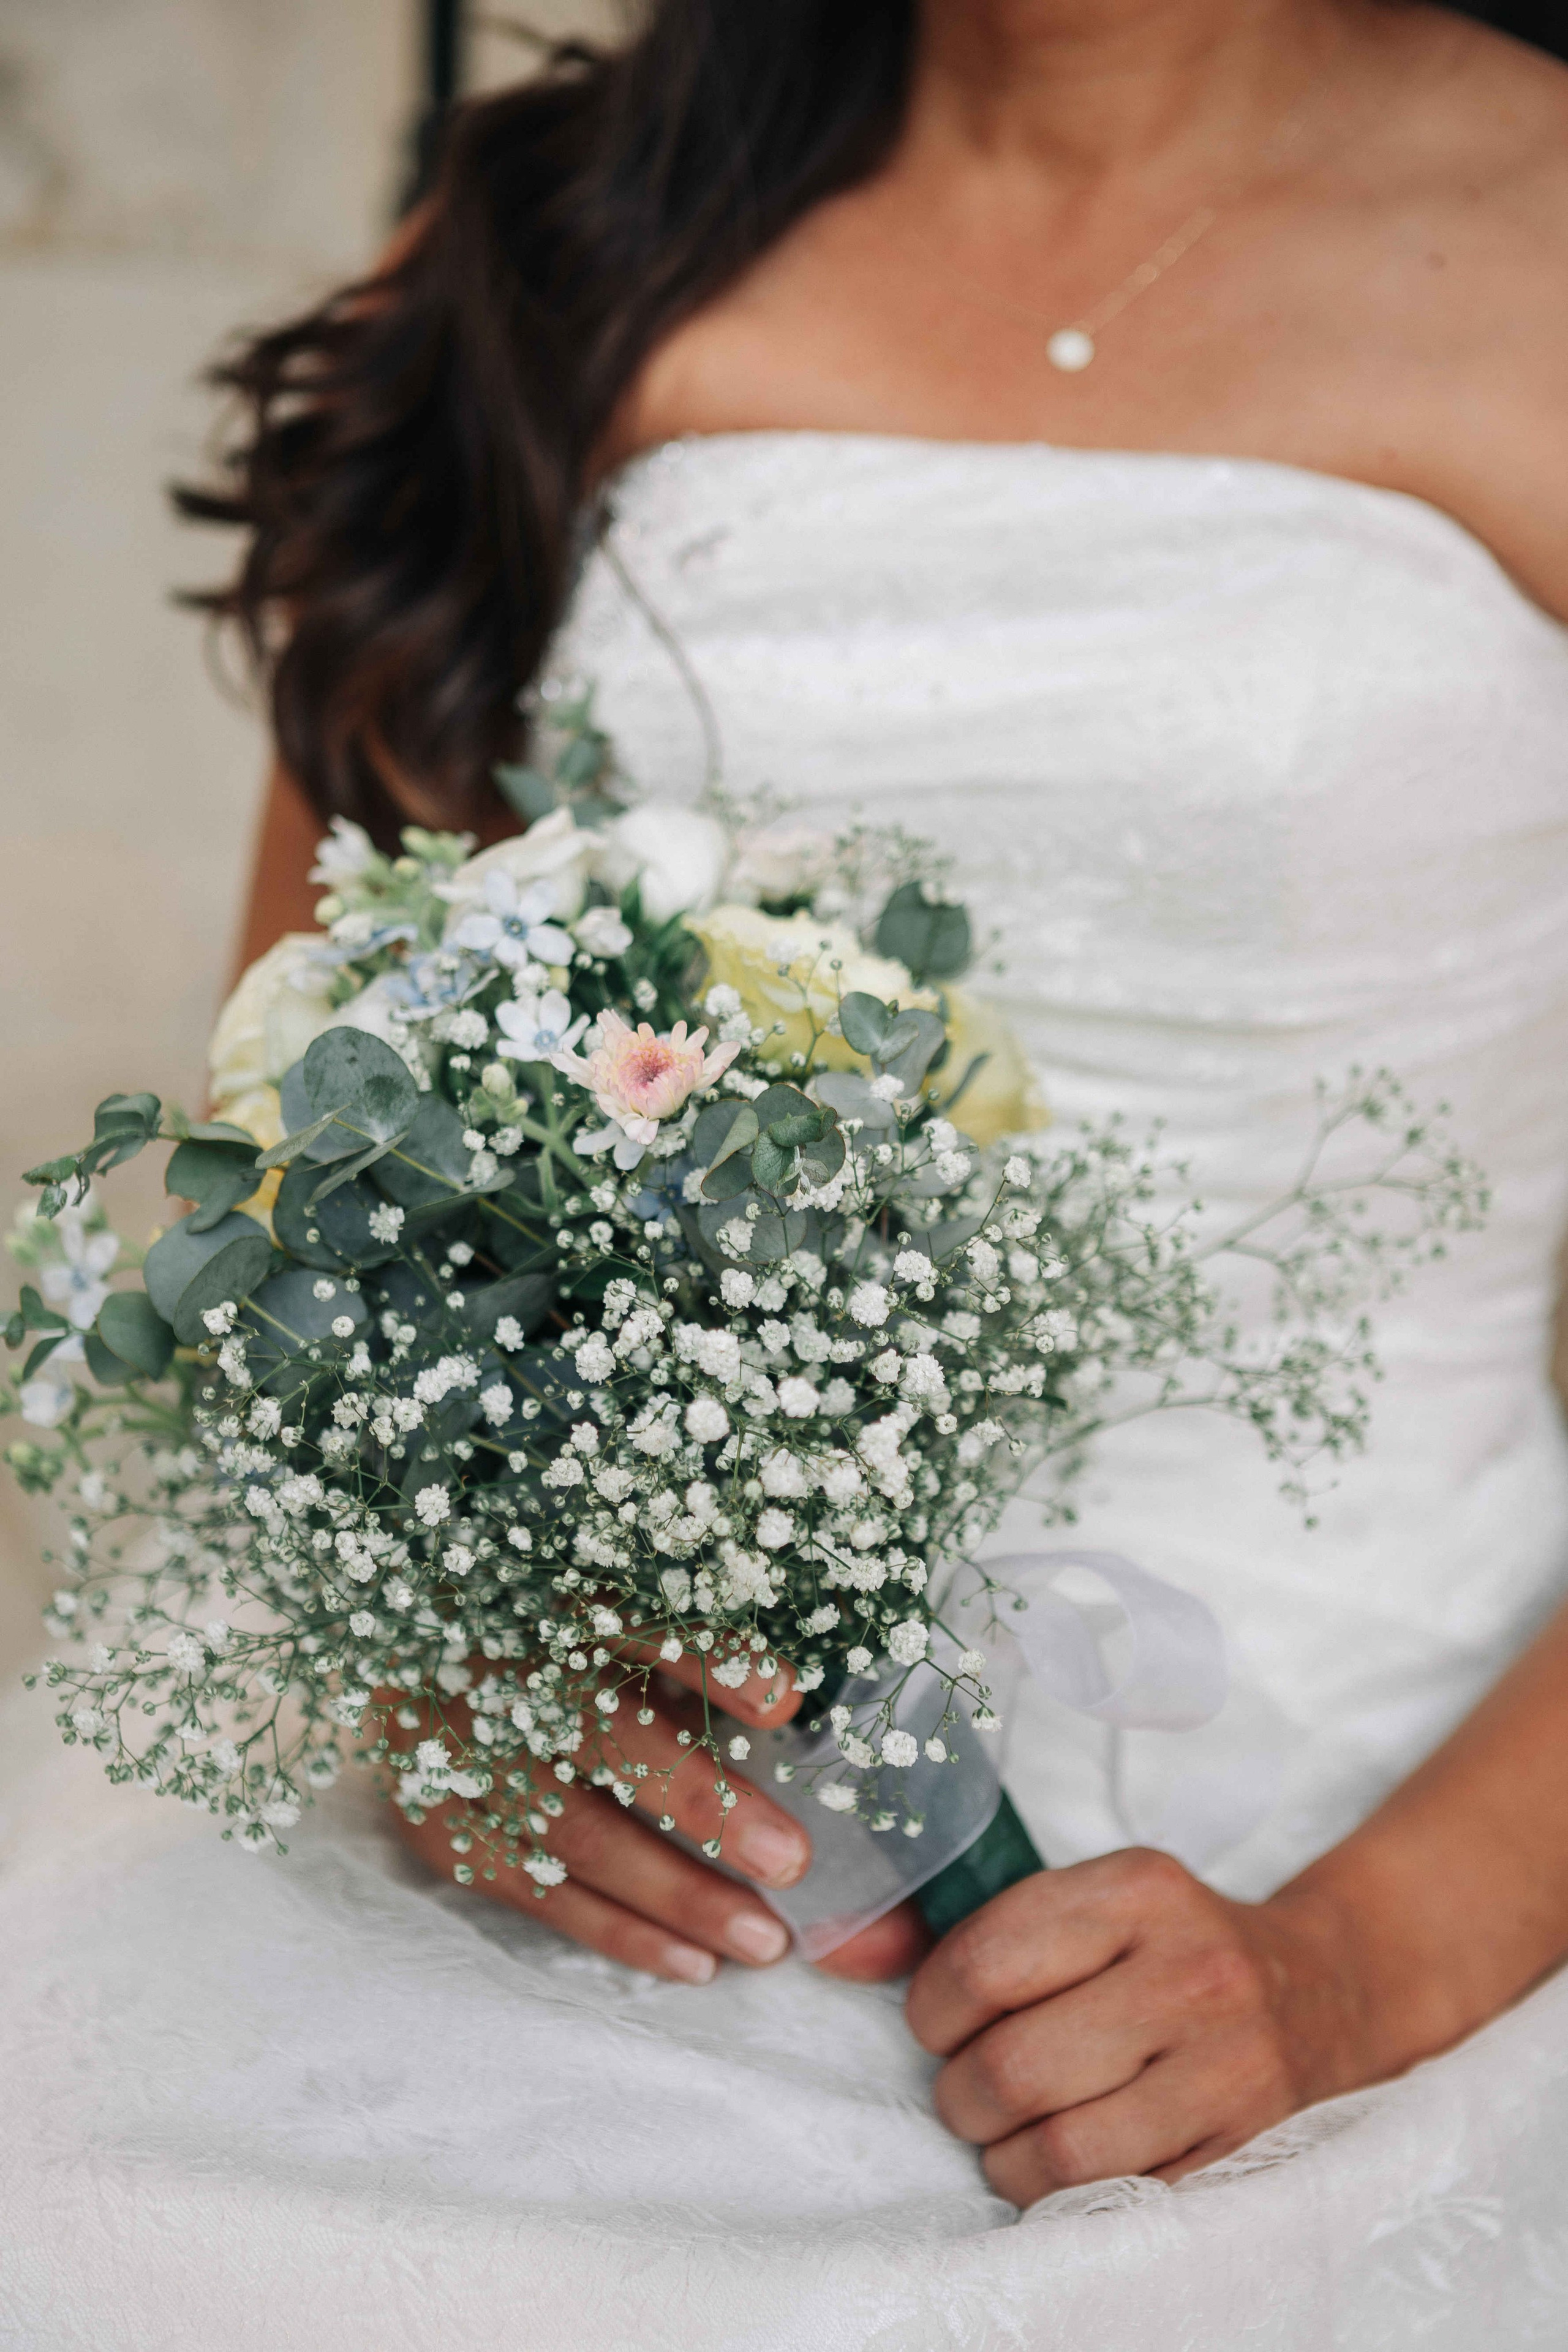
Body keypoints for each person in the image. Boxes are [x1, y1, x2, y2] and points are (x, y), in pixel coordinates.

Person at [9, 1, 1568, 2341]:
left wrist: (1357, 1966)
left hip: (1384, 1798)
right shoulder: (555, 239)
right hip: (631, 1779)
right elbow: (292, 1163)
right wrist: (445, 1688)